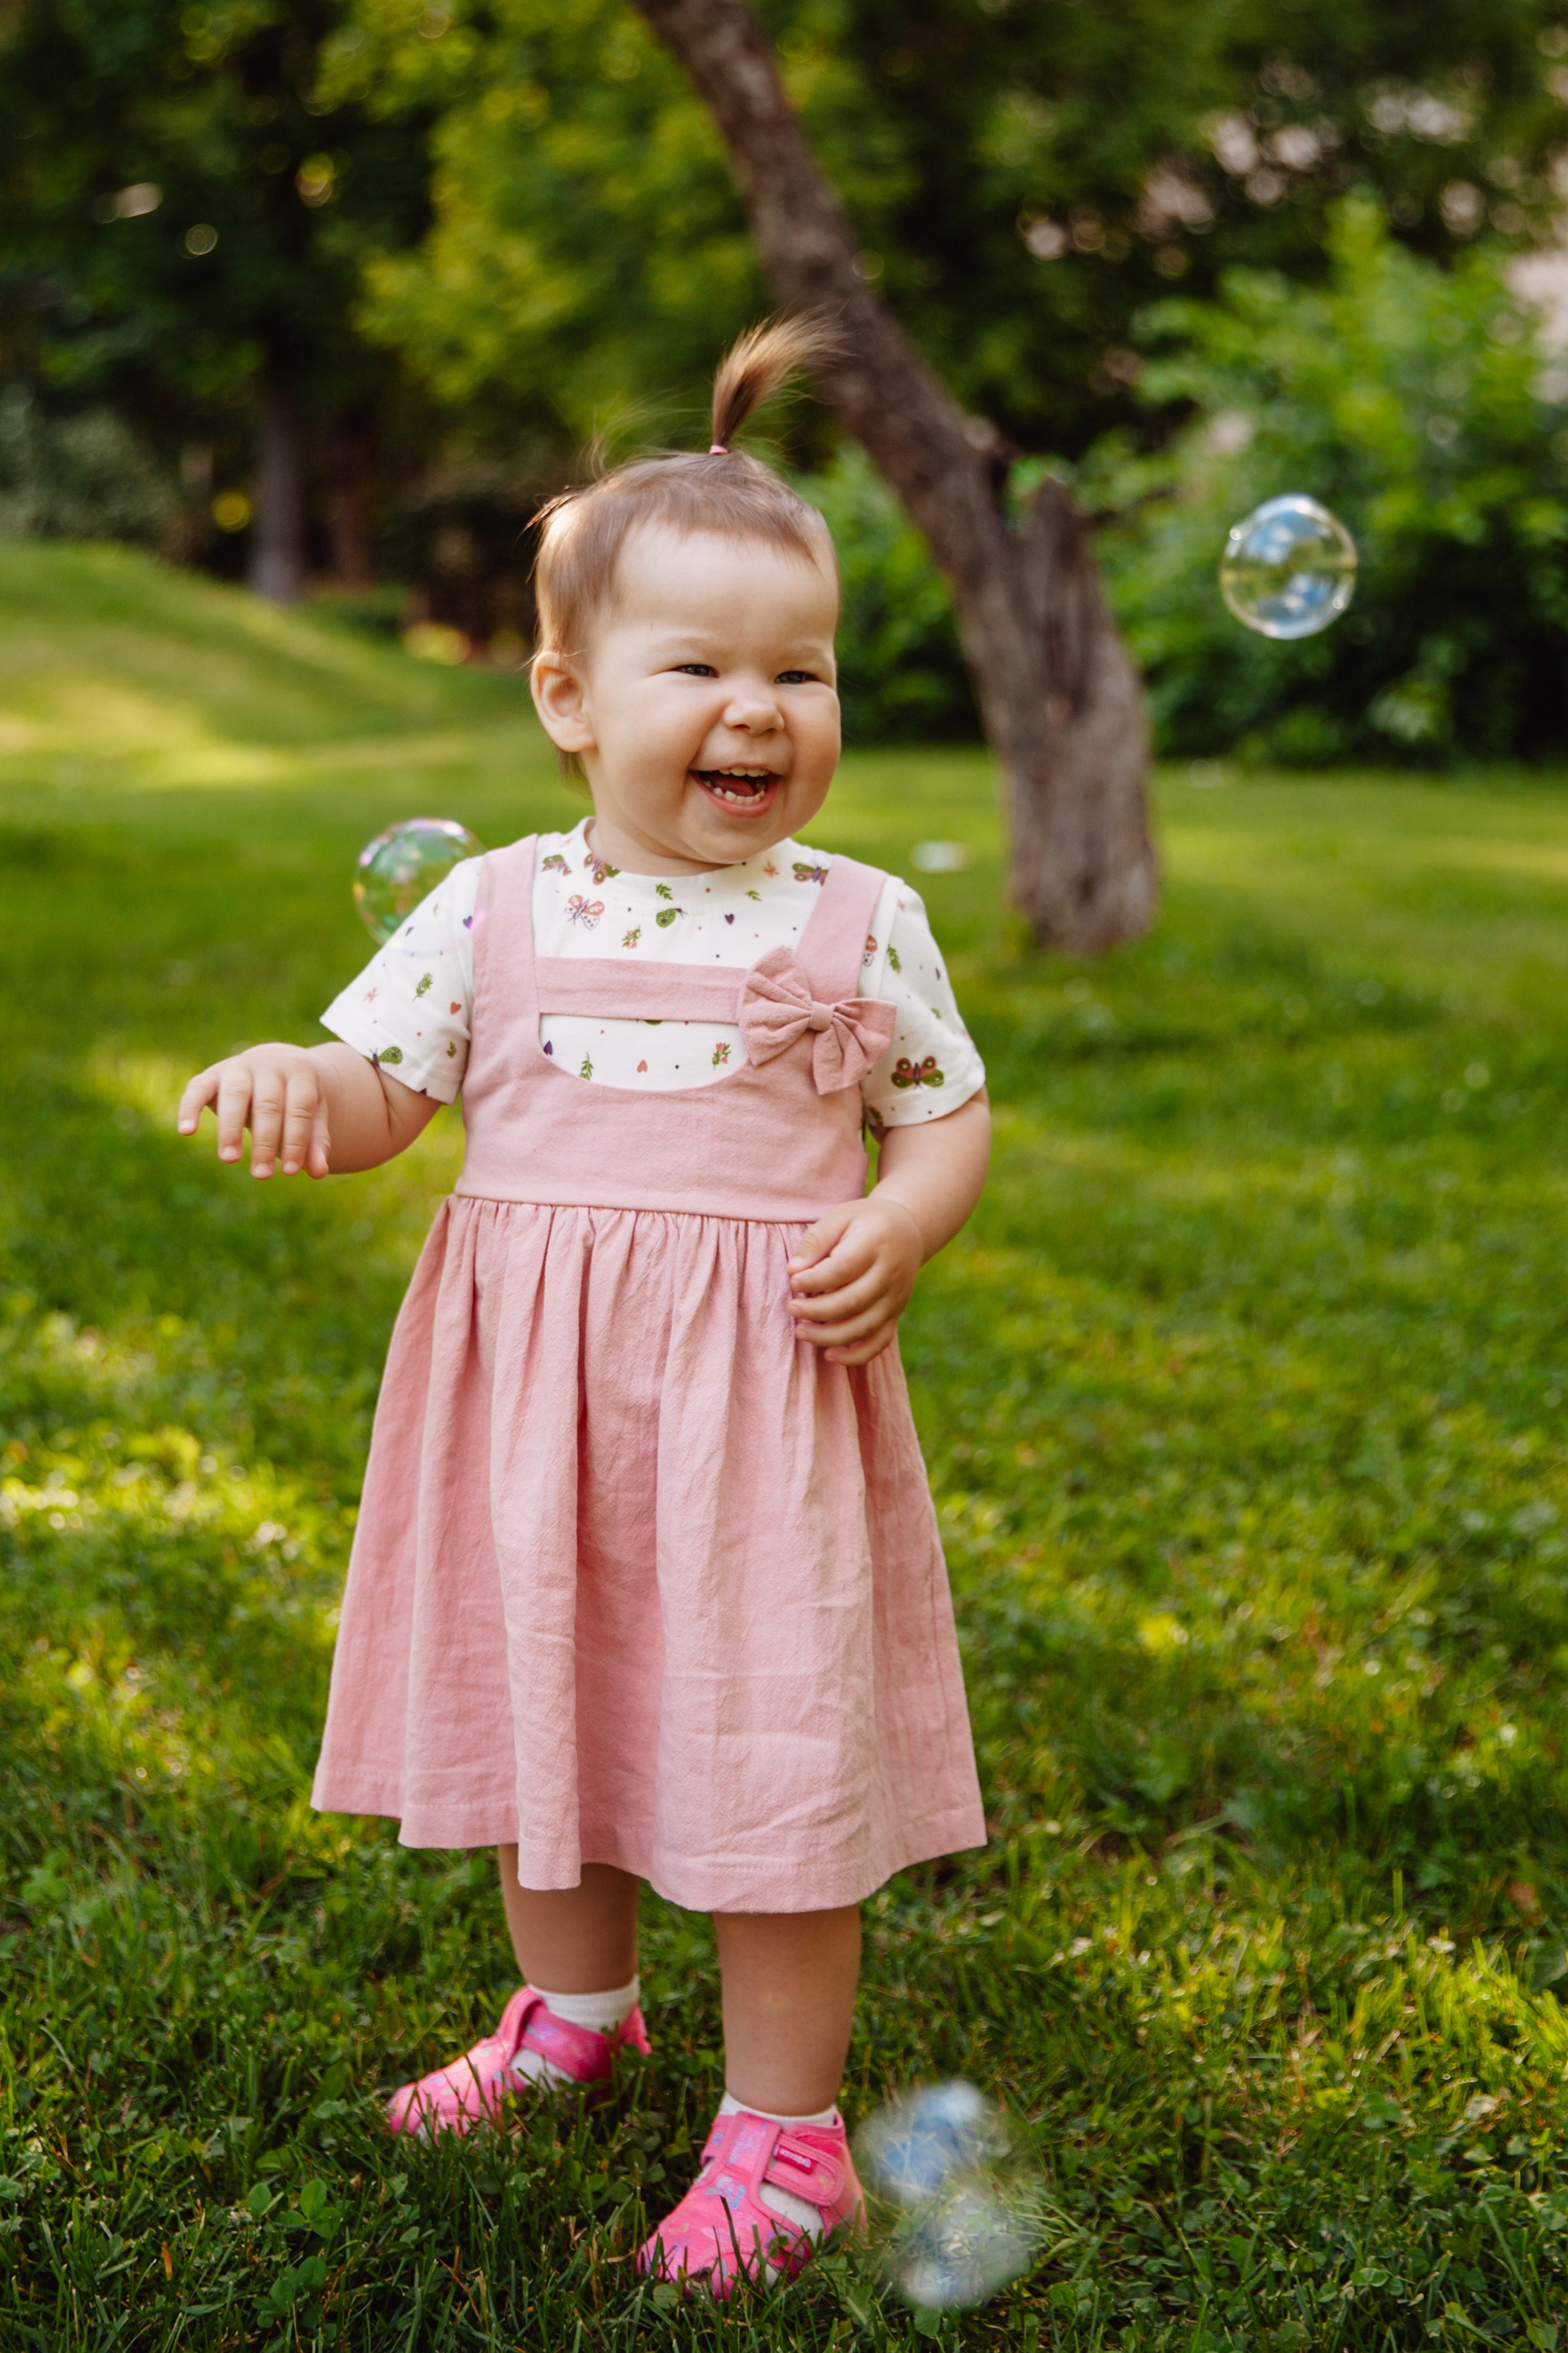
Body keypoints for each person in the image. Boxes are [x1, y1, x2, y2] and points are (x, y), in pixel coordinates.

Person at [176, 318, 991, 2297]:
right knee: (556, 1708)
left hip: (761, 1419)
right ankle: (577, 2016)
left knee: (771, 1753)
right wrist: (302, 1086)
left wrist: (906, 1218)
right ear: (566, 694)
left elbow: (946, 1107)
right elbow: (386, 1096)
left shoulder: (859, 918)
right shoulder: (492, 910)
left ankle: (788, 2142)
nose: (758, 710)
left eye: (801, 670)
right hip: (535, 1416)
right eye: (698, 668)